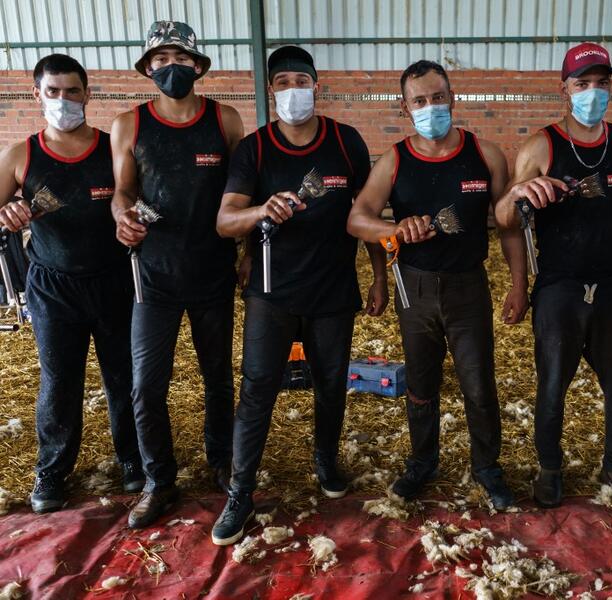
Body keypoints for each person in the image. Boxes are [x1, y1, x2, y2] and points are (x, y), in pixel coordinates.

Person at [209, 46, 388, 546]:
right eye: (283, 82)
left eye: (301, 81)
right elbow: (226, 221)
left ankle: (326, 462)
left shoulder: (345, 142)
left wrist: (376, 276)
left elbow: (365, 214)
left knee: (331, 383)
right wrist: (262, 210)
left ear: (317, 85)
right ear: (271, 90)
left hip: (333, 289)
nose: (294, 91)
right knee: (257, 387)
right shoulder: (256, 148)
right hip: (272, 291)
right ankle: (241, 490)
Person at [347, 59, 527, 509]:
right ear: (406, 108)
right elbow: (357, 219)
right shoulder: (395, 160)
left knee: (478, 382)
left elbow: (508, 225)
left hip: (468, 285)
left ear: (453, 97)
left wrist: (520, 282)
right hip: (416, 287)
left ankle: (487, 467)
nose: (431, 107)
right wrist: (393, 232)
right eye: (420, 101)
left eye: (438, 97)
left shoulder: (485, 155)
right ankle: (422, 462)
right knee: (421, 382)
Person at [494, 43, 612, 510]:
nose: (592, 92)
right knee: (552, 384)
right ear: (564, 87)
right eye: (582, 83)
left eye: (601, 84)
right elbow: (506, 218)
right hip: (560, 286)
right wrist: (519, 285)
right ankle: (550, 470)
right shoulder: (542, 144)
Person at [111, 21, 244, 529]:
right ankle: (157, 480)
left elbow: (242, 191)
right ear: (148, 69)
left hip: (212, 269)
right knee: (147, 385)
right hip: (153, 277)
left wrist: (246, 252)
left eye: (182, 58)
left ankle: (223, 462)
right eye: (162, 59)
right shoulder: (131, 124)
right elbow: (123, 190)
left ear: (198, 66)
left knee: (217, 376)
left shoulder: (225, 120)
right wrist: (121, 216)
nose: (172, 67)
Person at [0, 54, 143, 512]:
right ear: (36, 94)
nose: (64, 100)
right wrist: (5, 215)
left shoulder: (110, 148)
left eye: (73, 91)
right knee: (60, 380)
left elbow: (136, 198)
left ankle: (134, 461)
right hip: (53, 285)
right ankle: (53, 469)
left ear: (88, 94)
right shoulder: (22, 154)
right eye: (54, 91)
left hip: (113, 279)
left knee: (124, 376)